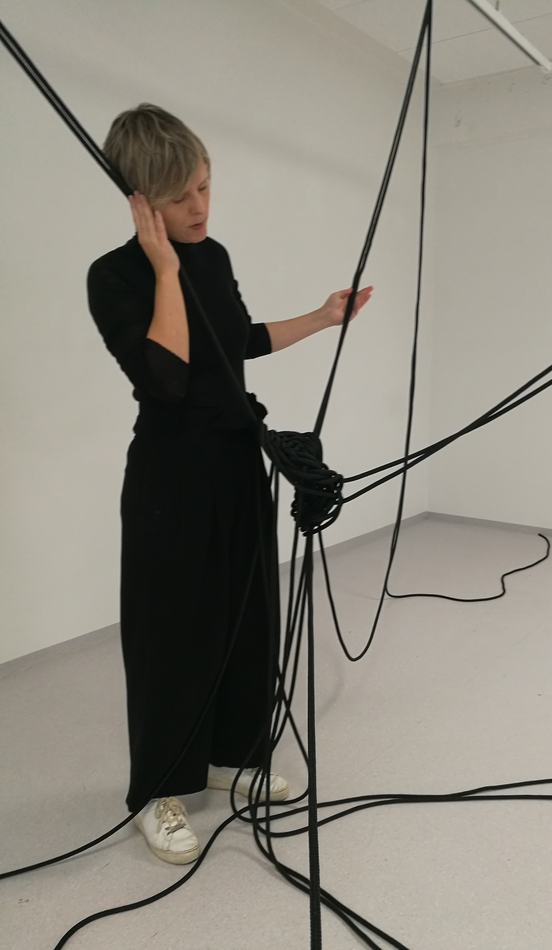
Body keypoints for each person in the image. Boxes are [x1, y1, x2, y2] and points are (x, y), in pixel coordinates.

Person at [87, 103, 372, 865]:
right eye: (180, 196)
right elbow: (167, 377)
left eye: (206, 186)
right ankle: (159, 790)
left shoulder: (212, 256)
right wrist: (164, 269)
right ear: (141, 201)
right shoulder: (114, 276)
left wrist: (322, 317)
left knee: (246, 617)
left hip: (236, 461)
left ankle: (228, 758)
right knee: (172, 631)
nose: (200, 206)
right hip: (170, 477)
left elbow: (233, 343)